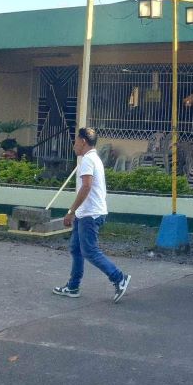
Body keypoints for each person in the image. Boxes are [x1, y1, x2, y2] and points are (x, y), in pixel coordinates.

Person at [53, 127, 131, 302]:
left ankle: (119, 278)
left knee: (90, 251)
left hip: (90, 214)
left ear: (83, 141)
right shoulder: (94, 158)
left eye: (75, 141)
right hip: (87, 213)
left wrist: (71, 212)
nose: (74, 145)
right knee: (76, 249)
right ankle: (73, 286)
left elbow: (86, 186)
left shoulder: (88, 160)